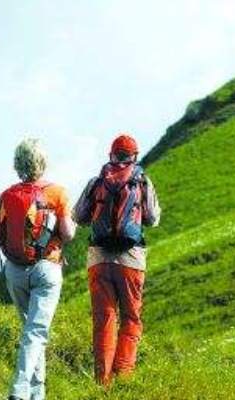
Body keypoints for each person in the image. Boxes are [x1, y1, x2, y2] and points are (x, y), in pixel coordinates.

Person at [73, 133, 161, 386]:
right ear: (134, 157)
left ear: (111, 155)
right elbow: (153, 218)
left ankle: (104, 383)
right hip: (131, 259)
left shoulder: (96, 181)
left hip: (99, 258)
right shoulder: (142, 181)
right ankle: (125, 377)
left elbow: (78, 216)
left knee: (104, 319)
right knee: (131, 319)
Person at [0, 138, 76, 400]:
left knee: (33, 333)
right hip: (46, 269)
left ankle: (36, 395)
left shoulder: (6, 195)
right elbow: (69, 234)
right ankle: (19, 390)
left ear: (18, 164)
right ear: (43, 162)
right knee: (36, 332)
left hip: (15, 271)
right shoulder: (58, 193)